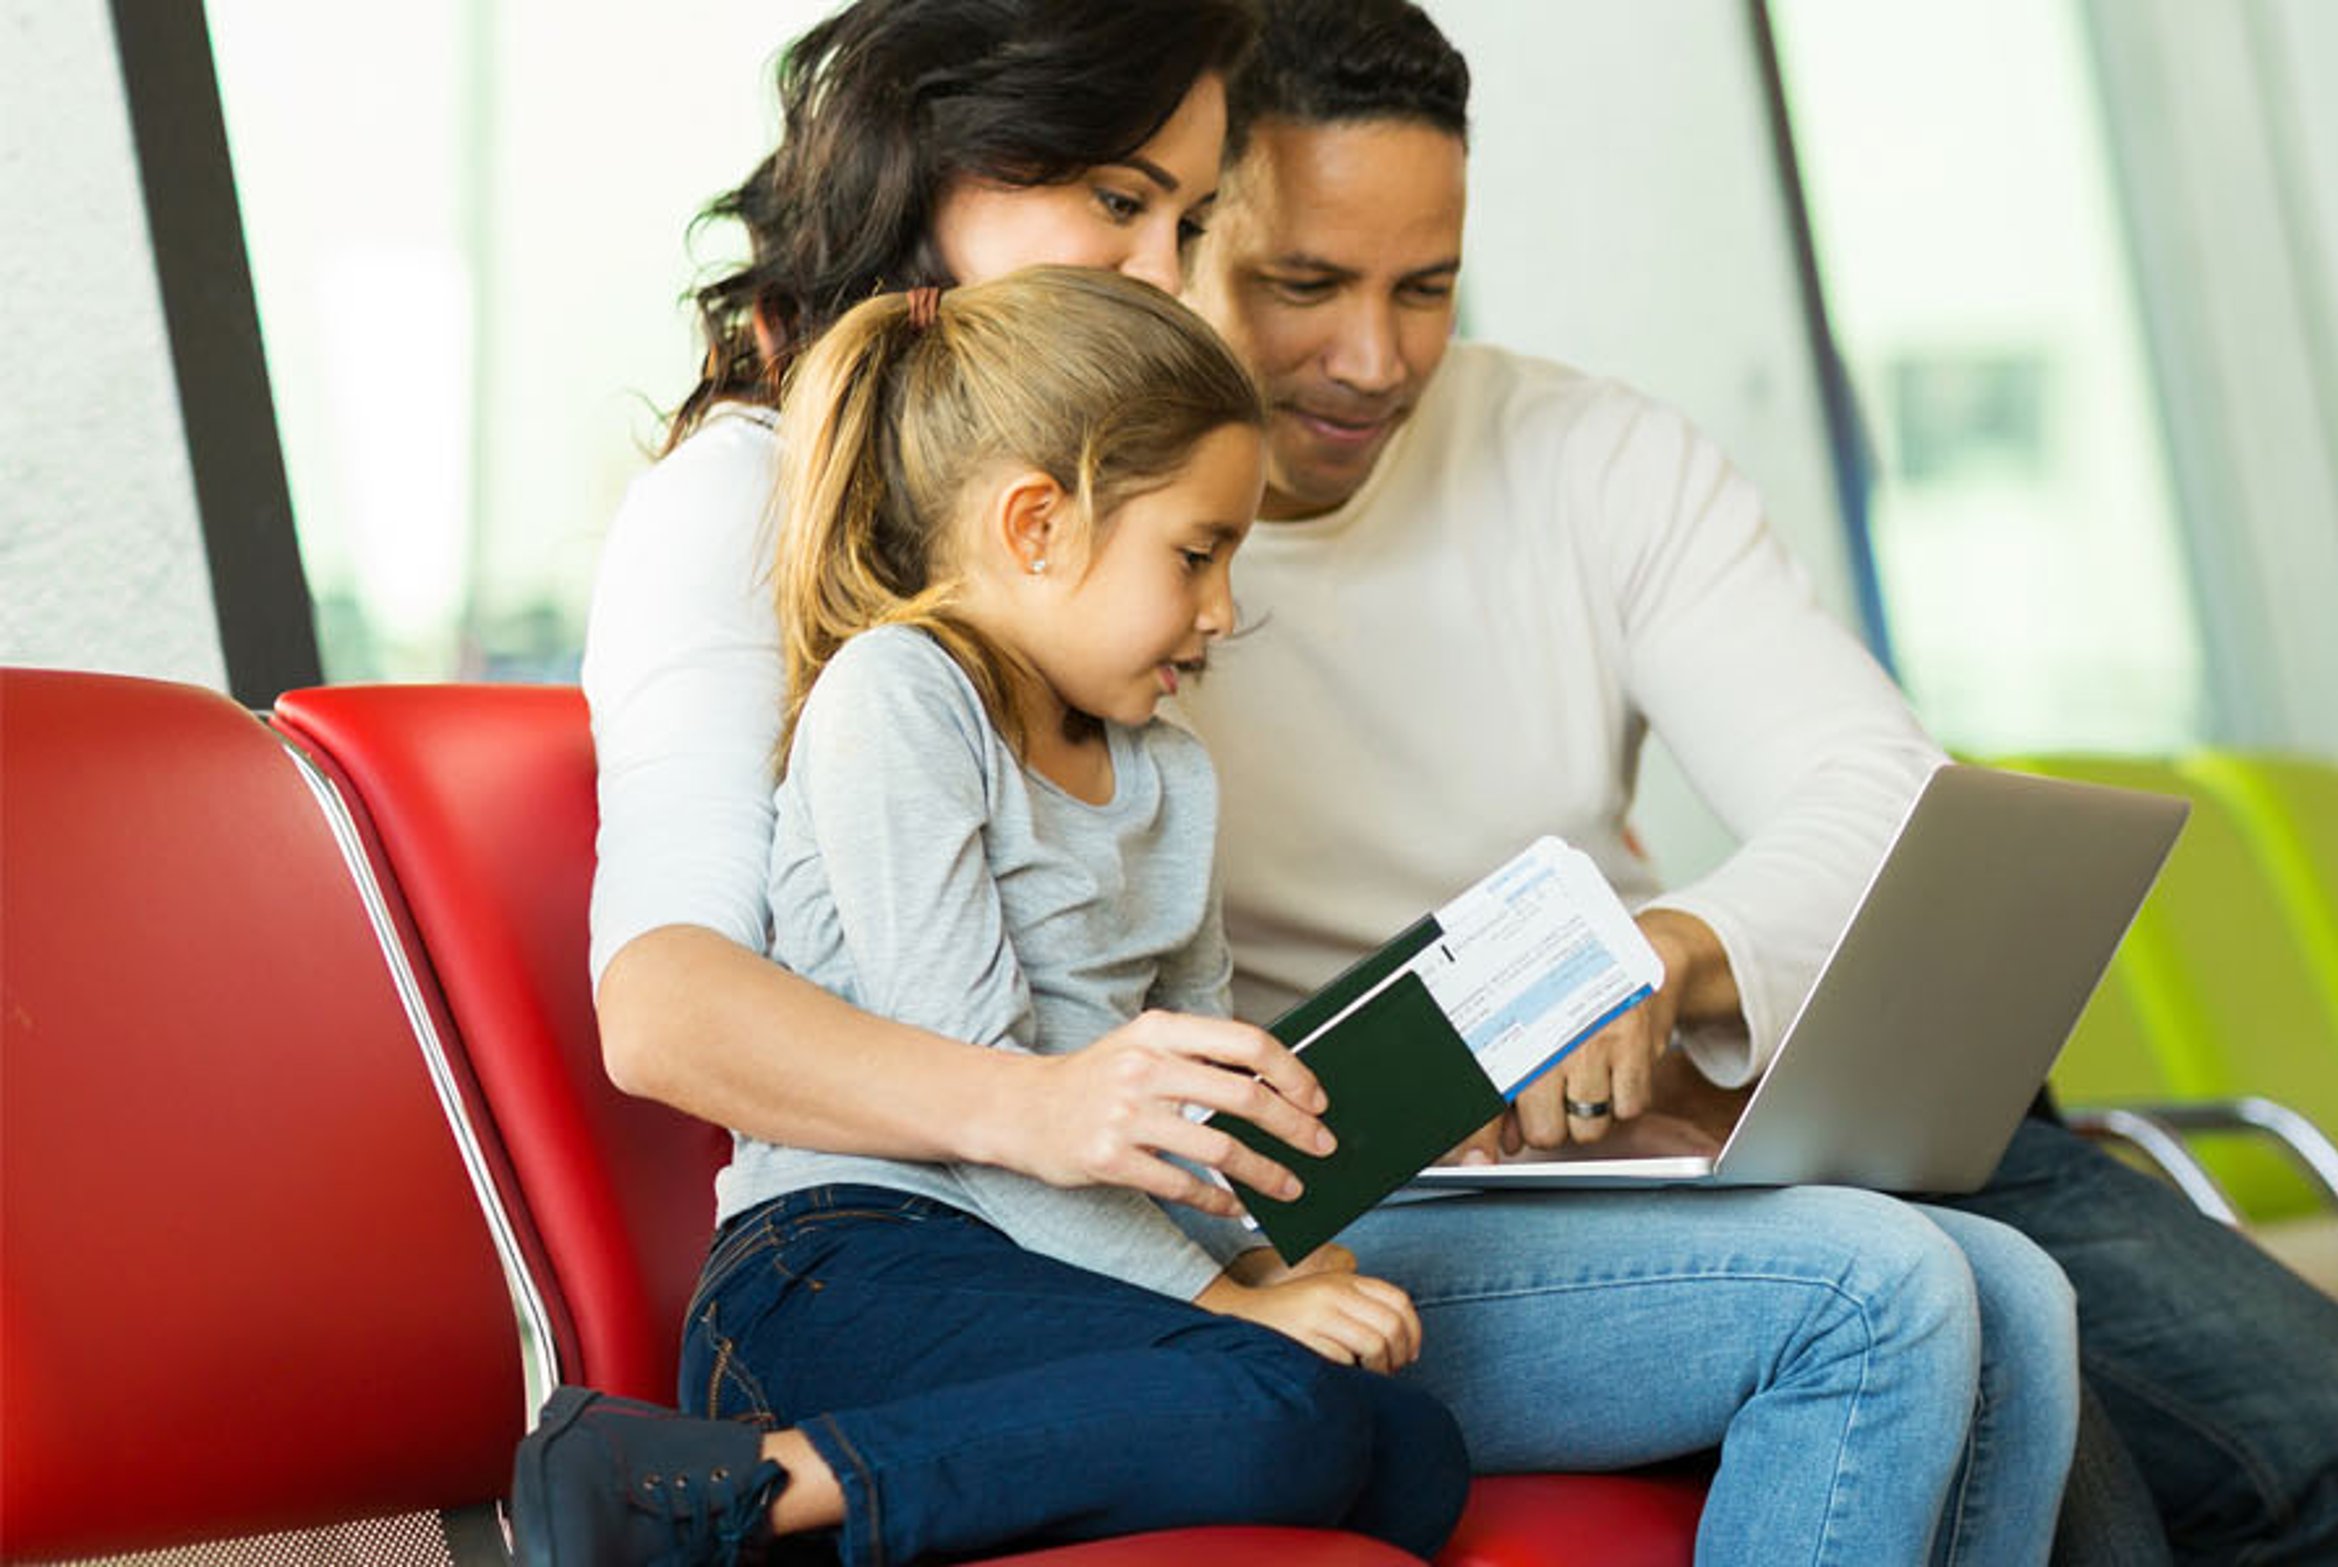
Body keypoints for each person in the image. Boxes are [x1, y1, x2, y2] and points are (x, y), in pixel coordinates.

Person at [581, 4, 2080, 1562]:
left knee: (2014, 1291)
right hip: (962, 1235)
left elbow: (1186, 1044)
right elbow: (669, 1004)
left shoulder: (1138, 680)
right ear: (936, 166)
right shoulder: (767, 513)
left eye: (1193, 217)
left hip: (1188, 1208)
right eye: (1119, 204)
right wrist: (1070, 1128)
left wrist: (1455, 1088)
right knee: (1882, 1291)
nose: (1172, 273)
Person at [1172, 3, 2338, 1562]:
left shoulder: (1586, 452)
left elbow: (1881, 789)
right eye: (1301, 285)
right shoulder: (1111, 550)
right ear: (1175, 234)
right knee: (2063, 1463)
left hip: (1723, 1110)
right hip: (1442, 1186)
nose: (1372, 360)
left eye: (1424, 288)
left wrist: (1677, 954)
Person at [517, 265, 1468, 1564]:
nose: (1224, 612)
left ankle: (872, 1502)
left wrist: (1273, 1269)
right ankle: (714, 1486)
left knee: (1412, 1449)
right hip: (847, 1263)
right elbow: (981, 1115)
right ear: (1036, 525)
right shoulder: (901, 698)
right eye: (1198, 554)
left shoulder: (1170, 770)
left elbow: (1198, 1127)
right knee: (1282, 1402)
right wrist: (1233, 1312)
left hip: (1049, 1266)